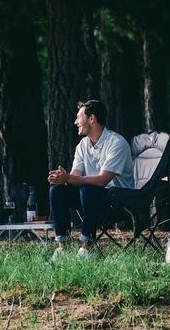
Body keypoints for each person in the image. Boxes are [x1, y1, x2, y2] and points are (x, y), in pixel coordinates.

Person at [48, 100, 134, 259]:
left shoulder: (116, 143)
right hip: (89, 199)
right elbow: (75, 177)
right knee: (57, 190)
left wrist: (71, 178)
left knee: (88, 189)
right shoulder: (82, 145)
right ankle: (62, 247)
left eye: (78, 117)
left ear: (92, 119)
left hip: (118, 201)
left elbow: (103, 180)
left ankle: (88, 247)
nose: (75, 122)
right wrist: (63, 179)